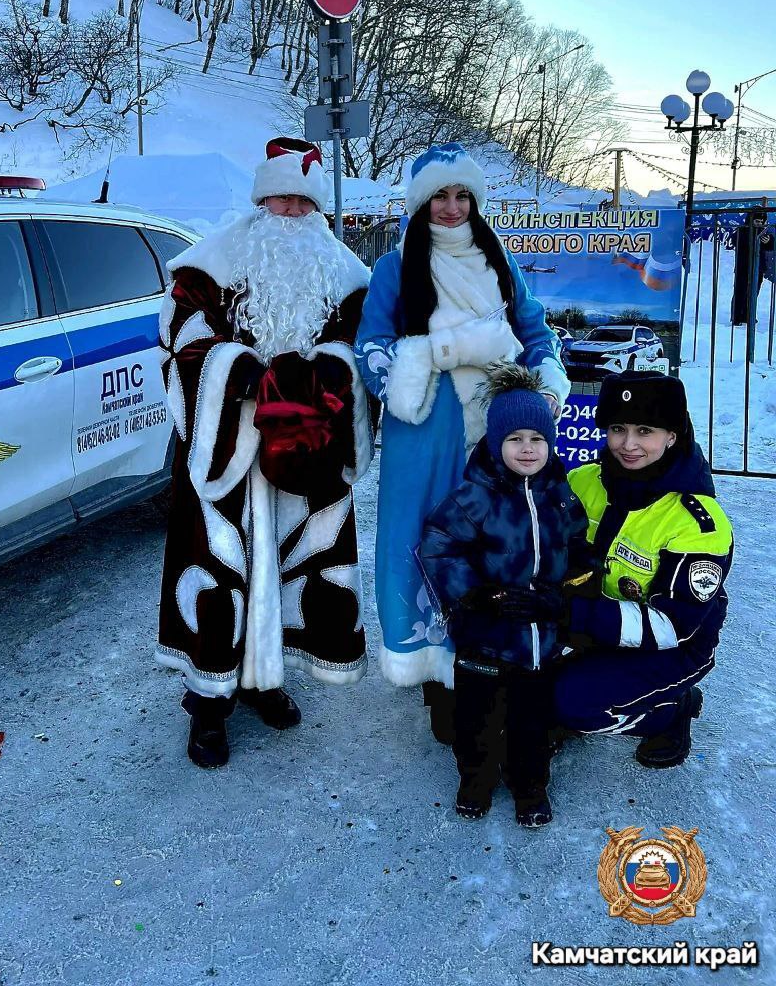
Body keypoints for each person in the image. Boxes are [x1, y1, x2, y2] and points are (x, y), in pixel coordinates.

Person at [155, 137, 376, 768]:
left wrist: (324, 381)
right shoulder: (210, 264)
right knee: (220, 566)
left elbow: (359, 347)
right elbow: (180, 340)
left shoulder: (345, 273)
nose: (291, 213)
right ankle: (208, 704)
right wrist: (244, 377)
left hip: (307, 448)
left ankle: (264, 679)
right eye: (280, 198)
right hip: (227, 447)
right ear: (259, 199)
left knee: (286, 565)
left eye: (304, 202)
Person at [354, 142, 569, 730]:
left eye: (461, 195)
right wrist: (440, 353)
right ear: (421, 205)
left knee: (491, 537)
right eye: (439, 197)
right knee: (420, 536)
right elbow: (369, 348)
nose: (451, 208)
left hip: (492, 428)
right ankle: (431, 670)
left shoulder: (500, 258)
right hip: (423, 425)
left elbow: (536, 332)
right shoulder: (395, 267)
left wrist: (546, 388)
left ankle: (483, 662)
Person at [417, 366, 592, 827]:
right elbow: (437, 545)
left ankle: (529, 785)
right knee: (475, 717)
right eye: (515, 438)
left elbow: (580, 550)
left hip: (540, 641)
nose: (528, 448)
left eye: (537, 438)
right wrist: (476, 595)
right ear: (496, 443)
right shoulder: (475, 498)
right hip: (485, 635)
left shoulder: (561, 497)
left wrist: (564, 596)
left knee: (531, 720)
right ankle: (474, 778)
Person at [553, 371, 734, 768]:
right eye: (617, 428)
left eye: (645, 430)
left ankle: (672, 712)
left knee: (573, 704)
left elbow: (673, 626)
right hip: (590, 622)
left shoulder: (699, 523)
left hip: (673, 646)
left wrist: (567, 614)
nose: (628, 445)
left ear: (672, 434)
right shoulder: (581, 481)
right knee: (519, 685)